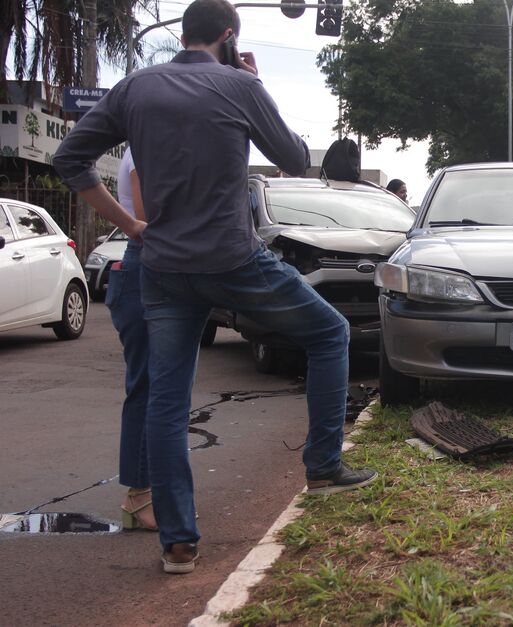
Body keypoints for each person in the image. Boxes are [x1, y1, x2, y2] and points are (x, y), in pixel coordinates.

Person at [54, 0, 376, 575]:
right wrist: (255, 87)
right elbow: (295, 158)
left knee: (167, 400)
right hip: (233, 260)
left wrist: (129, 225)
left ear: (184, 35)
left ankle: (178, 542)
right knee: (331, 333)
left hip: (163, 267)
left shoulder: (134, 88)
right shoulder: (238, 85)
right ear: (229, 37)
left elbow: (69, 157)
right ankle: (324, 466)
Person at [110, 147, 157, 532]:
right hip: (147, 264)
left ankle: (147, 493)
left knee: (157, 386)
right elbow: (148, 218)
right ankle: (140, 496)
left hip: (148, 265)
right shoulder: (145, 145)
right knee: (148, 386)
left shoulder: (149, 139)